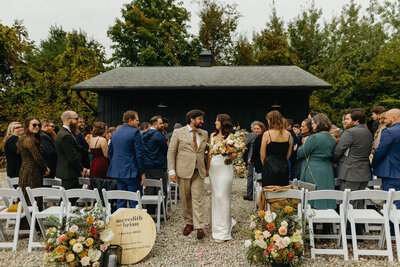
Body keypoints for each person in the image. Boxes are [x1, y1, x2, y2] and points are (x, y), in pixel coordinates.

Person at [167, 109, 208, 239]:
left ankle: (199, 226)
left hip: (199, 171)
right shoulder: (178, 132)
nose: (202, 121)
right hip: (183, 171)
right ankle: (189, 223)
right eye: (200, 119)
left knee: (198, 199)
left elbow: (207, 153)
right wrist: (172, 171)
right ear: (192, 119)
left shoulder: (204, 133)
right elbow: (171, 152)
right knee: (186, 199)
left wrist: (208, 169)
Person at [333, 108, 373, 209]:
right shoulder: (368, 132)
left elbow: (338, 150)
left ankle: (348, 225)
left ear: (356, 121)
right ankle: (359, 224)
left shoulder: (350, 132)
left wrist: (333, 160)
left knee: (347, 202)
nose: (344, 121)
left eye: (347, 119)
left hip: (350, 172)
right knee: (359, 202)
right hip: (364, 171)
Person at [207, 114, 238, 242]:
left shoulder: (231, 136)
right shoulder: (212, 136)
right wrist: (207, 170)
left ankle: (223, 232)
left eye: (217, 120)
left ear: (223, 122)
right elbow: (209, 154)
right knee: (215, 197)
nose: (215, 122)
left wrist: (227, 149)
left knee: (222, 197)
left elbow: (235, 155)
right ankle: (218, 224)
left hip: (225, 168)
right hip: (214, 169)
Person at [107, 110, 145, 209]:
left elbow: (110, 152)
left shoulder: (115, 133)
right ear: (130, 120)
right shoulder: (135, 132)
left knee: (121, 200)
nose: (138, 122)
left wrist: (116, 163)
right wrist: (142, 172)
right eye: (137, 120)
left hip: (118, 171)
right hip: (132, 172)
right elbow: (139, 154)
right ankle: (135, 223)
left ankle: (121, 223)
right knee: (134, 201)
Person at [297, 113, 336, 209]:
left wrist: (303, 144)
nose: (312, 125)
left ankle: (313, 219)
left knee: (313, 193)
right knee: (326, 191)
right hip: (327, 168)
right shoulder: (331, 137)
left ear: (319, 123)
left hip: (314, 168)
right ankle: (327, 219)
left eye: (313, 123)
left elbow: (301, 153)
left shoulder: (314, 137)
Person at [17, 117, 50, 206]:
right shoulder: (28, 139)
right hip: (30, 171)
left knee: (34, 196)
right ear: (28, 126)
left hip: (33, 170)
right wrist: (45, 168)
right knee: (31, 197)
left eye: (39, 125)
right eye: (34, 125)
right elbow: (37, 156)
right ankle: (29, 219)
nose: (37, 127)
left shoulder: (32, 138)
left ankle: (34, 219)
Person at [372, 109, 400, 208]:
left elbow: (380, 152)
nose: (385, 121)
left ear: (394, 117)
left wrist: (373, 165)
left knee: (392, 204)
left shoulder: (389, 132)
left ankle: (392, 224)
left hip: (391, 173)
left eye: (386, 118)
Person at [142, 116, 169, 216]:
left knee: (150, 189)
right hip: (159, 165)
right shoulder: (159, 135)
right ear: (154, 124)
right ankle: (162, 214)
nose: (162, 125)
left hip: (147, 166)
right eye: (161, 123)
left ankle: (150, 213)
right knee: (162, 190)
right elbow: (165, 150)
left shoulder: (143, 134)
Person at [260, 110, 292, 187]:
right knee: (282, 191)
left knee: (269, 192)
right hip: (283, 166)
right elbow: (288, 154)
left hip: (269, 166)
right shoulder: (288, 134)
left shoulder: (267, 134)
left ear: (271, 120)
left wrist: (266, 165)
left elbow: (262, 155)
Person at [56, 111, 86, 189]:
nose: (78, 121)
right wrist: (81, 168)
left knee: (68, 199)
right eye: (76, 119)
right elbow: (71, 156)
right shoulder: (65, 135)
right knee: (69, 198)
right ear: (67, 119)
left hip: (69, 172)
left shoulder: (66, 133)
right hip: (69, 173)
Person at [89, 122, 115, 201]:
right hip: (102, 163)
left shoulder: (92, 139)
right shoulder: (102, 140)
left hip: (94, 163)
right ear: (103, 130)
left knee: (95, 183)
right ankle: (104, 201)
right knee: (104, 184)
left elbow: (90, 151)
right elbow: (106, 155)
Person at [243, 121, 259, 201]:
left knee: (250, 176)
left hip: (251, 158)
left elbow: (244, 145)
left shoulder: (250, 135)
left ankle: (250, 195)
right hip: (261, 159)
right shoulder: (265, 134)